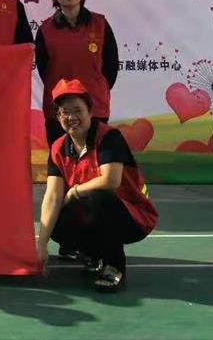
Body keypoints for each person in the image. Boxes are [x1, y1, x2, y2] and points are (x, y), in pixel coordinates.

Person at [37, 79, 157, 292]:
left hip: (131, 217)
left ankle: (114, 266)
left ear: (90, 112)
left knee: (98, 197)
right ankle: (95, 254)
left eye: (78, 110)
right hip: (91, 214)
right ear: (58, 116)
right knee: (57, 218)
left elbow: (111, 180)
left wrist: (74, 191)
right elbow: (53, 196)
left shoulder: (108, 137)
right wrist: (41, 245)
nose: (71, 117)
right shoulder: (58, 148)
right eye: (65, 112)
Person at [35, 0, 119, 163]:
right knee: (62, 162)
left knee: (95, 162)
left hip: (95, 106)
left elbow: (111, 64)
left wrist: (98, 87)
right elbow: (43, 69)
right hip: (59, 109)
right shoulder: (46, 29)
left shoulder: (100, 24)